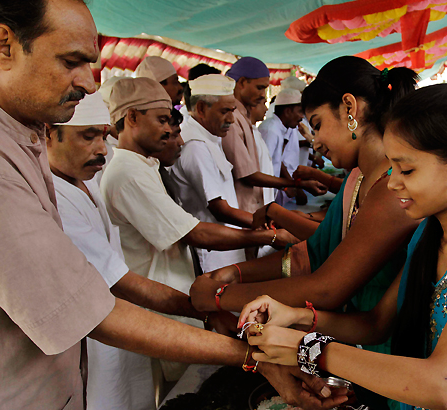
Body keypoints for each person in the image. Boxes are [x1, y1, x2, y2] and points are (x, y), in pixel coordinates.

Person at [0, 1, 343, 409]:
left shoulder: (7, 136)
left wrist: (209, 308)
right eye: (71, 62)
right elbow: (91, 311)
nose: (87, 81)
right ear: (2, 46)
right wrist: (251, 355)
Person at [240, 84, 447, 410]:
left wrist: (305, 346)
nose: (394, 182)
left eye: (407, 169)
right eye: (392, 166)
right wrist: (295, 316)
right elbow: (376, 323)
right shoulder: (429, 232)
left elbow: (443, 384)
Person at [191, 58, 421, 409]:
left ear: (349, 108)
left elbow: (327, 287)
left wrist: (221, 296)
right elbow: (313, 253)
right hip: (357, 347)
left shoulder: (391, 189)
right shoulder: (358, 182)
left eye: (317, 124)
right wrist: (231, 274)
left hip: (388, 358)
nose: (316, 142)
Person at [99, 76, 301, 381]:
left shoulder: (147, 165)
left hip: (180, 290)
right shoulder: (127, 172)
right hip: (162, 295)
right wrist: (270, 234)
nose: (170, 132)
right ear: (131, 118)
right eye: (162, 120)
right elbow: (196, 232)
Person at [47, 92, 238, 410]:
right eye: (87, 136)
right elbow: (120, 281)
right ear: (49, 134)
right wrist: (208, 314)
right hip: (98, 337)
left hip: (124, 329)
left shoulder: (86, 180)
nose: (100, 149)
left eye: (102, 136)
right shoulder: (55, 199)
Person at [170, 74, 255, 272]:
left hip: (225, 246)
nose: (231, 119)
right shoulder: (195, 146)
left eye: (232, 111)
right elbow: (219, 209)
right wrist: (265, 224)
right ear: (201, 109)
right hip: (213, 254)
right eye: (225, 111)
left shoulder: (209, 137)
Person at [222, 56, 326, 215]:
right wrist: (295, 185)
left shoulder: (244, 119)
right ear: (242, 82)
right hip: (242, 207)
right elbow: (249, 175)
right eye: (260, 88)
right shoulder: (234, 119)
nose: (263, 95)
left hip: (258, 201)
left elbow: (270, 163)